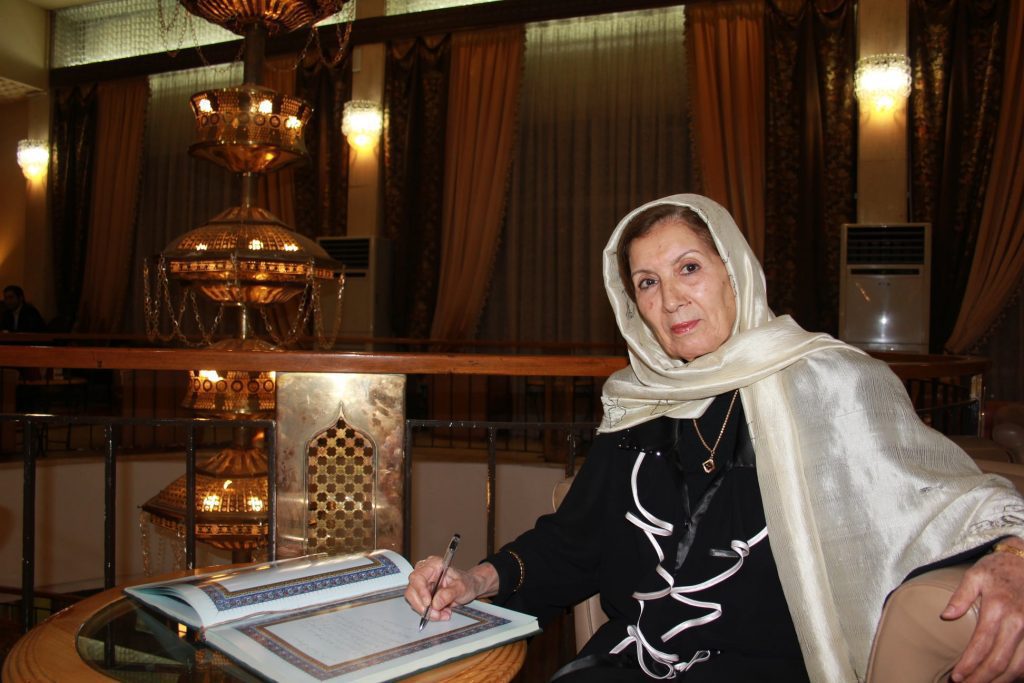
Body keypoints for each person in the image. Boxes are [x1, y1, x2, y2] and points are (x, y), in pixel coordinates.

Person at [405, 194, 1024, 682]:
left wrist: (1012, 556)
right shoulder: (639, 404)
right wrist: (474, 582)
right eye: (647, 282)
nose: (672, 299)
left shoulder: (827, 382)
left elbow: (943, 500)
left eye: (689, 269)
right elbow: (573, 544)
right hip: (629, 665)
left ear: (734, 271)